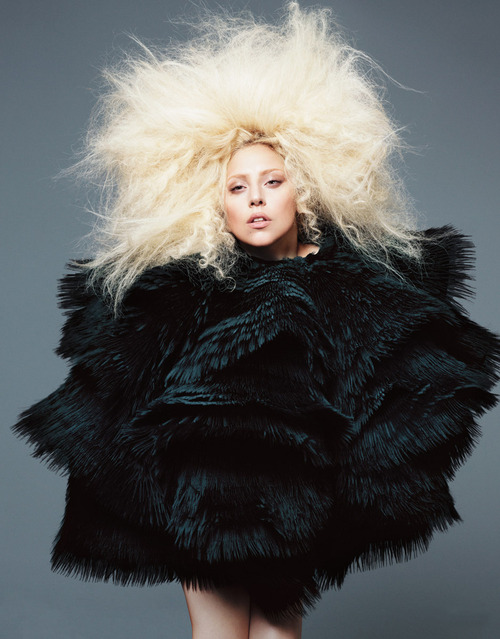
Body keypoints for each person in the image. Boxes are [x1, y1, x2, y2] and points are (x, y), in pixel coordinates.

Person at [13, 3, 500, 638]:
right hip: (199, 504)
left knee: (276, 632)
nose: (256, 199)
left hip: (305, 504)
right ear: (214, 203)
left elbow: (397, 386)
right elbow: (123, 399)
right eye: (237, 187)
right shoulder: (186, 288)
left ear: (307, 188)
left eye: (272, 181)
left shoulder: (356, 284)